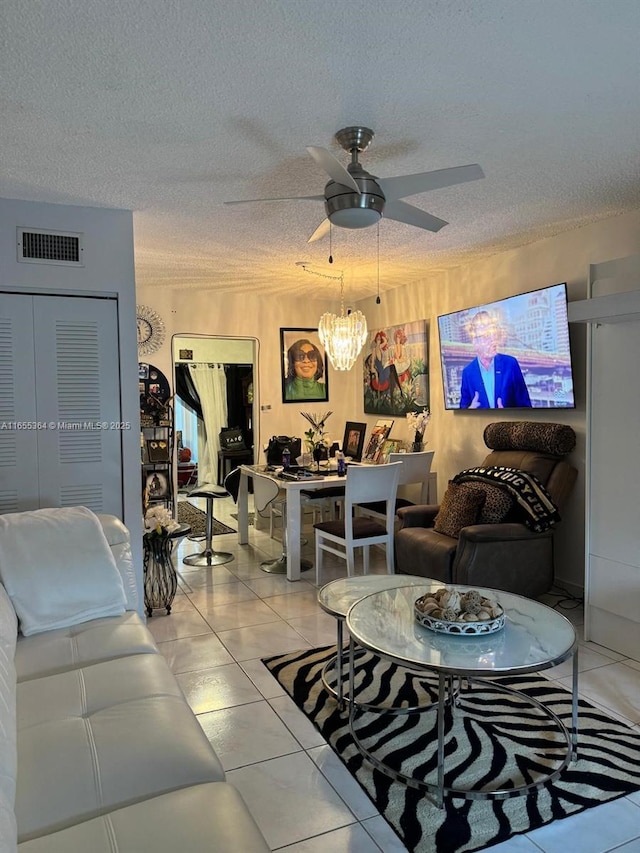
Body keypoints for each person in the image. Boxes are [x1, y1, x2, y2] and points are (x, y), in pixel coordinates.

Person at [459, 311, 531, 409]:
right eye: (486, 336)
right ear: (475, 342)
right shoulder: (468, 372)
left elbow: (526, 406)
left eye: (493, 334)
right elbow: (463, 411)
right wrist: (470, 409)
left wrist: (509, 416)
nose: (493, 340)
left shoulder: (510, 364)